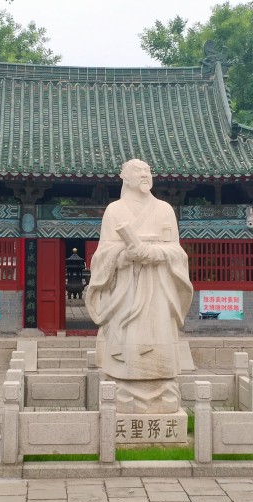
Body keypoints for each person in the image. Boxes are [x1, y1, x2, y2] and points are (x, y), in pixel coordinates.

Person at [85, 159, 193, 413]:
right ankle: (124, 392)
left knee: (160, 342)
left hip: (159, 289)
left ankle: (163, 391)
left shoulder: (165, 209)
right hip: (126, 290)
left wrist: (152, 253)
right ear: (124, 177)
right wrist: (125, 256)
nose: (145, 175)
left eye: (148, 171)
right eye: (138, 171)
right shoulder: (114, 211)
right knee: (128, 342)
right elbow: (102, 255)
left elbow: (177, 252)